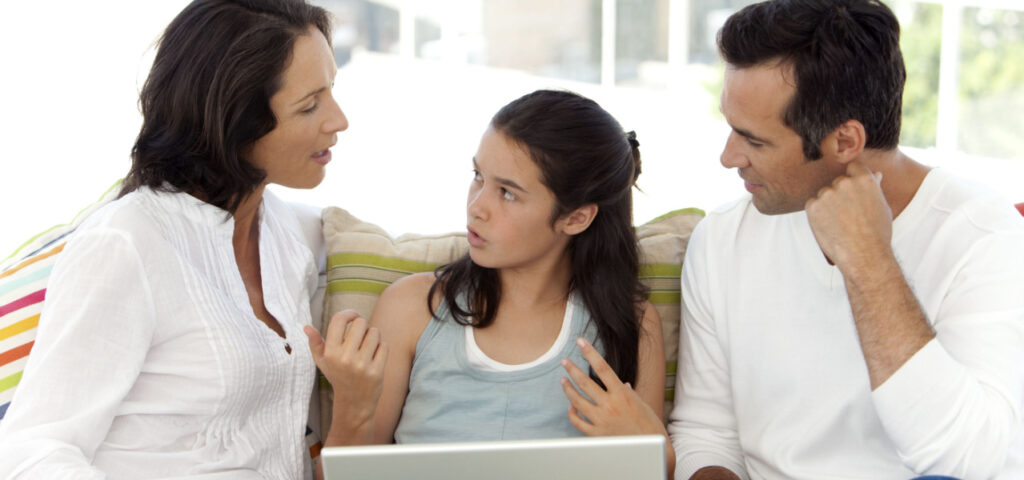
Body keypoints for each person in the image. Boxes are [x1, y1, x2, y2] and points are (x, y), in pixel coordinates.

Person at [0, 1, 386, 478]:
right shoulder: (127, 244)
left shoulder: (290, 237)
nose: (338, 119)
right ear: (233, 121)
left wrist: (354, 402)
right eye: (309, 105)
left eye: (331, 90)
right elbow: (32, 451)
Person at [667, 0, 1024, 479]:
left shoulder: (983, 237)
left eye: (753, 140)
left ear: (845, 143)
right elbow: (707, 434)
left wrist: (869, 260)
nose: (729, 157)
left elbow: (968, 461)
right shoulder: (723, 238)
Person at [365, 89, 675, 472]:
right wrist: (351, 400)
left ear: (576, 218)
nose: (476, 207)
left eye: (507, 193)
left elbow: (653, 469)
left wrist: (652, 449)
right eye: (478, 176)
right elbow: (343, 471)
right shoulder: (412, 307)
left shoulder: (629, 323)